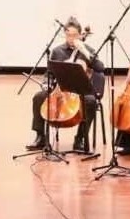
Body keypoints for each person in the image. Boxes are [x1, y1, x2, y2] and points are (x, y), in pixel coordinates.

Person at [28, 18, 104, 155]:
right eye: (69, 35)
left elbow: (100, 68)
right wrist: (46, 83)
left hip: (80, 91)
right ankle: (40, 137)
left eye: (74, 35)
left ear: (80, 35)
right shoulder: (57, 51)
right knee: (38, 97)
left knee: (91, 102)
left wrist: (84, 51)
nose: (71, 38)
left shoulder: (88, 50)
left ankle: (80, 138)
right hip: (60, 89)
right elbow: (49, 73)